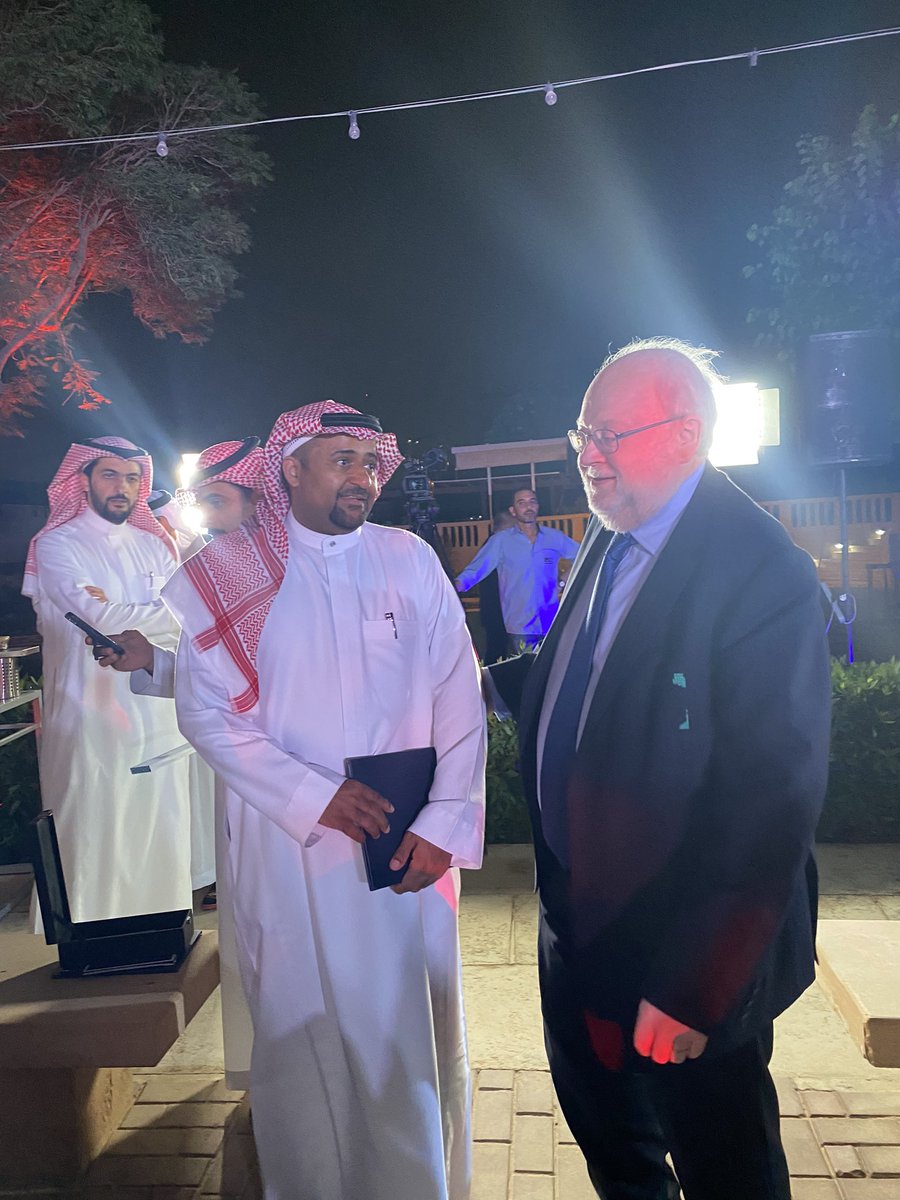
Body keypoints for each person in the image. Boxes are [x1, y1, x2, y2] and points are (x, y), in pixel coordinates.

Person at [488, 339, 832, 1200]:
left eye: (611, 435)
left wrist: (695, 989)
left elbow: (769, 804)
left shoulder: (762, 570)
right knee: (616, 1151)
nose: (588, 457)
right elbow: (594, 671)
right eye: (582, 436)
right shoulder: (617, 529)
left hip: (682, 947)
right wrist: (486, 688)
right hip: (580, 927)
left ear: (687, 434)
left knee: (725, 1168)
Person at [161, 400, 486, 1200]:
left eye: (369, 462)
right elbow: (205, 712)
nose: (362, 477)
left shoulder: (407, 558)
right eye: (342, 460)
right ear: (291, 469)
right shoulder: (226, 575)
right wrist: (314, 796)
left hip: (403, 850)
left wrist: (446, 822)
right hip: (286, 848)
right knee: (299, 1039)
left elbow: (459, 696)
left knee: (407, 1038)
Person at [94, 434, 265, 1089]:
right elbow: (213, 680)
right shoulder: (211, 573)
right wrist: (152, 662)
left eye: (219, 501)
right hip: (239, 785)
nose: (208, 519)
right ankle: (264, 1079)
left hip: (302, 791)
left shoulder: (295, 571)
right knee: (249, 936)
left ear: (259, 499)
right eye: (203, 504)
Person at [21, 436, 191, 923]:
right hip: (87, 713)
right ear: (84, 480)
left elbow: (189, 615)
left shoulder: (154, 545)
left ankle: (163, 926)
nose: (123, 487)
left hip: (156, 713)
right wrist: (156, 612)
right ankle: (86, 931)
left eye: (132, 478)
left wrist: (129, 614)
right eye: (110, 475)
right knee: (92, 818)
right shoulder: (57, 544)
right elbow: (93, 618)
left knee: (157, 823)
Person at [455, 487, 579, 651]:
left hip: (550, 621)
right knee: (526, 666)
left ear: (538, 506)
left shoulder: (554, 537)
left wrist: (562, 583)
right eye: (522, 503)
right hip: (520, 625)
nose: (528, 506)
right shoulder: (501, 541)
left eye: (532, 501)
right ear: (513, 511)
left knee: (555, 667)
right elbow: (475, 571)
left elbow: (582, 556)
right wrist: (450, 589)